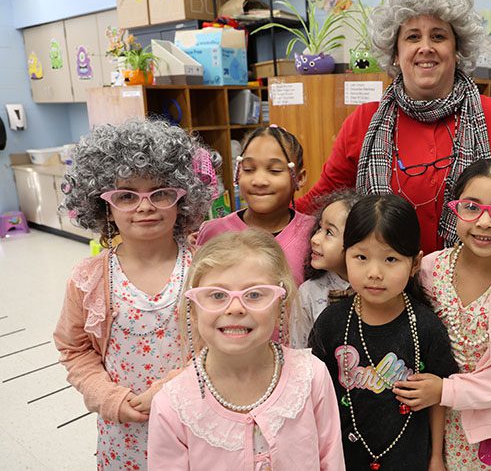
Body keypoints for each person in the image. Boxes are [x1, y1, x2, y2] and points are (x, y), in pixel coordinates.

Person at [296, 0, 491, 254]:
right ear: (395, 52)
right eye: (412, 37)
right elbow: (320, 203)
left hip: (478, 276)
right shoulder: (364, 122)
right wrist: (268, 213)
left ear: (457, 49)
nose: (425, 47)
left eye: (438, 36)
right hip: (384, 278)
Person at [53, 119, 214, 469]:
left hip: (196, 423)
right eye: (126, 195)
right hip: (124, 435)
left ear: (183, 198)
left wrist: (173, 389)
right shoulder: (88, 279)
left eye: (160, 192)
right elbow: (74, 348)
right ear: (103, 205)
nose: (145, 206)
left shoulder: (208, 270)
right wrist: (106, 396)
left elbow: (223, 344)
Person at [391, 159, 491, 469]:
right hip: (415, 419)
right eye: (471, 207)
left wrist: (446, 390)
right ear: (455, 211)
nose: (485, 222)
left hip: (480, 435)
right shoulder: (427, 271)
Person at [147, 229, 345, 470]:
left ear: (279, 305)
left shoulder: (311, 375)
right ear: (194, 310)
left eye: (254, 294)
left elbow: (331, 460)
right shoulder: (173, 405)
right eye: (217, 295)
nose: (235, 308)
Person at [309, 194, 459, 470]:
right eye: (361, 257)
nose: (375, 272)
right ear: (345, 255)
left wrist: (436, 457)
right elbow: (317, 396)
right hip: (343, 460)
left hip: (409, 461)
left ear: (415, 264)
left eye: (391, 259)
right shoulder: (331, 324)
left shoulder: (425, 326)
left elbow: (438, 399)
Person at [196, 124, 315, 286]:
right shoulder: (213, 233)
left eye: (274, 170)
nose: (259, 181)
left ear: (299, 178)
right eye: (249, 169)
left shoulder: (314, 234)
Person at [290, 189, 363, 349]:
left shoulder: (376, 288)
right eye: (319, 228)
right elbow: (299, 352)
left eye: (329, 232)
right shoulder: (308, 293)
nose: (315, 239)